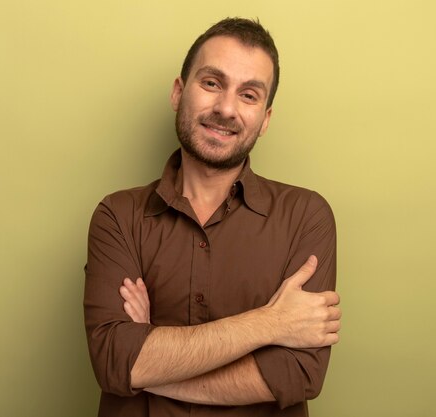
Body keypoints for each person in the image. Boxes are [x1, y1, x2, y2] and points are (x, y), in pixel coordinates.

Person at [84, 17, 341, 417]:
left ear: (266, 119)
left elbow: (297, 372)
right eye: (212, 83)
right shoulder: (118, 216)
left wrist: (151, 358)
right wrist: (272, 323)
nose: (226, 109)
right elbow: (115, 361)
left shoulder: (305, 217)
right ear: (178, 92)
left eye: (249, 95)